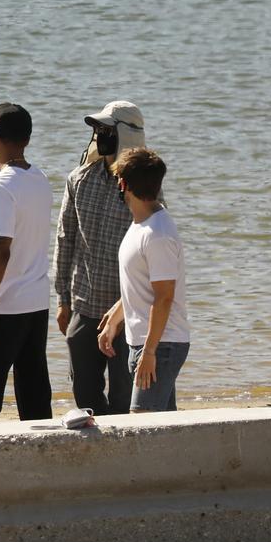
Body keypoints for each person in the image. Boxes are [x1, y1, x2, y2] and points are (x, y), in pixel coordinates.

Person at [0, 103, 54, 423]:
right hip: (36, 302)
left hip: (2, 306)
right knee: (33, 394)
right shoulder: (40, 179)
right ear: (26, 140)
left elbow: (0, 252)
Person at [55, 101, 145, 415]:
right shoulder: (78, 179)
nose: (99, 135)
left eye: (107, 129)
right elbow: (65, 240)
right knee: (85, 395)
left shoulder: (143, 188)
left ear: (127, 134)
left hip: (128, 311)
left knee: (124, 400)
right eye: (98, 129)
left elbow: (151, 249)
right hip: (85, 305)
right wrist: (63, 299)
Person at [97, 148, 189, 412]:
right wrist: (114, 320)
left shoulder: (158, 233)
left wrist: (149, 352)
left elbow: (164, 297)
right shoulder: (141, 224)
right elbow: (140, 286)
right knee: (162, 427)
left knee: (142, 422)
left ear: (123, 184)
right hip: (149, 342)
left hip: (161, 344)